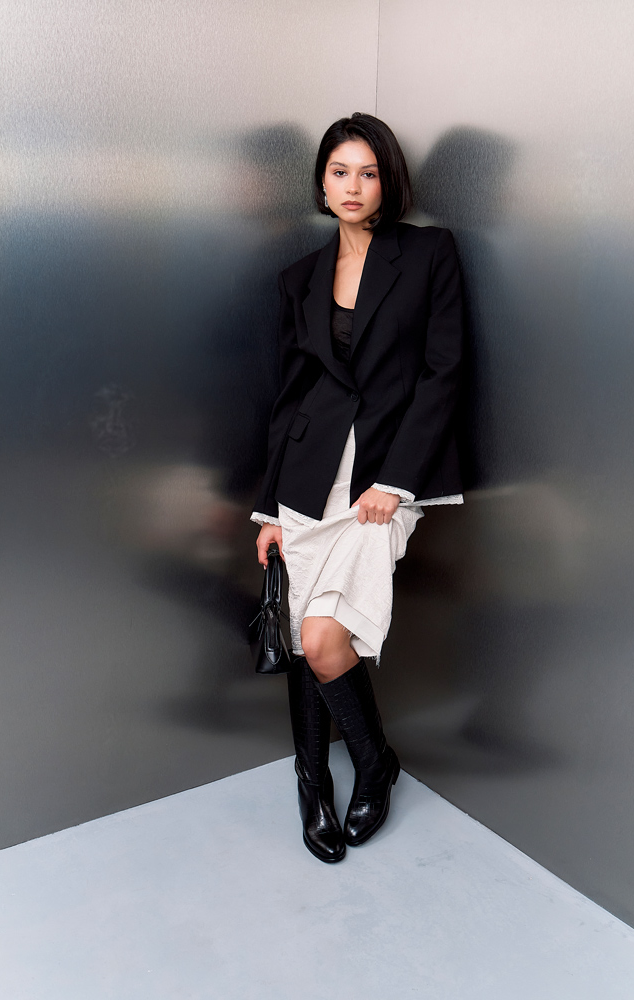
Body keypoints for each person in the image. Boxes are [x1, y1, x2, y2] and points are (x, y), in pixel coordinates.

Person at [251, 112, 464, 863]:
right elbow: (291, 396)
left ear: (387, 181)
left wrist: (395, 481)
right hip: (307, 480)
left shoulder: (429, 253)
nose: (353, 186)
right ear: (321, 183)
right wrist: (268, 510)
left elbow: (443, 373)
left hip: (380, 480)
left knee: (321, 638)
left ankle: (374, 765)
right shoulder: (299, 278)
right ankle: (311, 783)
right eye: (339, 172)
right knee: (304, 635)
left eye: (368, 173)